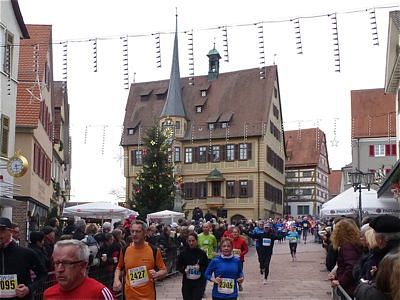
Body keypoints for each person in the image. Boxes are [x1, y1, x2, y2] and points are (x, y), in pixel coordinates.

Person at [113, 220, 167, 300]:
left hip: (148, 296)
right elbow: (119, 267)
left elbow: (164, 270)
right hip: (129, 296)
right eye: (132, 231)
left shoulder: (153, 250)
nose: (134, 234)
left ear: (144, 233)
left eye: (138, 231)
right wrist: (116, 280)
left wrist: (158, 274)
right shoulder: (125, 250)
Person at [43, 239, 115, 299]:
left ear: (83, 265)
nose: (59, 269)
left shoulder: (99, 293)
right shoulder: (48, 294)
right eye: (56, 263)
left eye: (67, 263)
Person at [0, 217, 47, 299]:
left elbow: (42, 274)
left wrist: (29, 288)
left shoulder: (26, 253)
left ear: (10, 232)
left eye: (2, 230)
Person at [329, 218, 362, 298]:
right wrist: (337, 277)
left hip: (349, 288)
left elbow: (351, 267)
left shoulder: (347, 246)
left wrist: (340, 281)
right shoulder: (354, 243)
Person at [177, 232, 209, 300]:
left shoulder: (202, 253)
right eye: (189, 241)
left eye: (193, 241)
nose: (191, 243)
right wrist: (184, 269)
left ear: (197, 241)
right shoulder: (183, 253)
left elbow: (206, 266)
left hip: (199, 282)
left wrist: (200, 268)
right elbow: (178, 266)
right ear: (187, 241)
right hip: (187, 282)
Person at [231, 227, 248, 291]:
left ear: (238, 233)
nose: (235, 234)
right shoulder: (230, 240)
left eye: (236, 232)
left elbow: (246, 250)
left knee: (238, 272)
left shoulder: (242, 240)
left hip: (239, 260)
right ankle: (233, 284)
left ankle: (239, 284)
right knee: (232, 272)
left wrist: (240, 254)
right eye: (233, 232)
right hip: (231, 259)